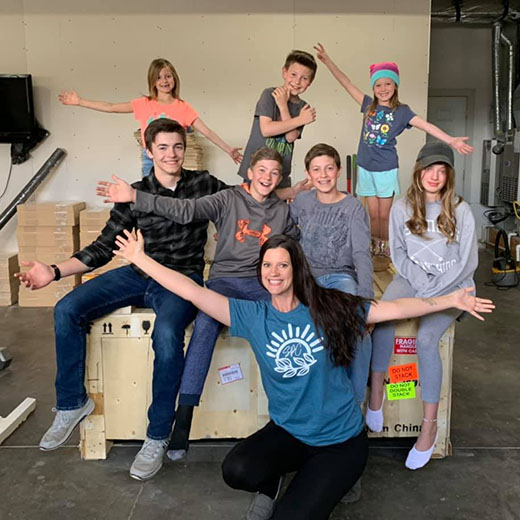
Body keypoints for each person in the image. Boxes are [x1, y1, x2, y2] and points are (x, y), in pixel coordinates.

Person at [113, 231, 492, 520]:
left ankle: (332, 479)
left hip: (340, 442)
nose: (274, 273)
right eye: (267, 265)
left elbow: (393, 308)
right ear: (259, 271)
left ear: (296, 269)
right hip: (290, 433)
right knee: (237, 470)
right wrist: (140, 258)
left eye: (282, 265)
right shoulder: (253, 317)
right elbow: (192, 291)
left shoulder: (330, 307)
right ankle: (280, 479)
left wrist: (451, 300)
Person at [15, 118, 229, 481]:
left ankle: (157, 435)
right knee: (68, 308)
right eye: (162, 147)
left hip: (180, 278)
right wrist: (53, 271)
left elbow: (245, 198)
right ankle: (71, 403)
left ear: (185, 147)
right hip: (137, 271)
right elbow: (103, 247)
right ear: (149, 151)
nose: (171, 154)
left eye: (177, 146)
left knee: (165, 335)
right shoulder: (133, 191)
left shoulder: (204, 183)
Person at [96, 146, 300, 462]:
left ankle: (286, 416)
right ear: (249, 172)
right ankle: (185, 415)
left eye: (275, 173)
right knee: (205, 324)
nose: (268, 178)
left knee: (284, 325)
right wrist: (136, 197)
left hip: (262, 285)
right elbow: (185, 210)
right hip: (224, 281)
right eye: (262, 170)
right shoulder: (228, 198)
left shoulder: (282, 210)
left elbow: (296, 244)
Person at [366, 141, 479, 470]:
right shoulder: (402, 207)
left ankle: (429, 427)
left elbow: (467, 261)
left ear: (448, 176)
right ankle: (377, 391)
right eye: (429, 168)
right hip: (413, 279)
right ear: (418, 171)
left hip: (453, 286)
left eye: (441, 170)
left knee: (427, 340)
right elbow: (398, 254)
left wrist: (436, 295)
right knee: (383, 319)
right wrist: (420, 285)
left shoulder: (461, 210)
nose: (434, 175)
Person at [313, 43, 473, 270]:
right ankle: (373, 246)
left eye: (387, 83)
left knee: (386, 214)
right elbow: (346, 82)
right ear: (373, 87)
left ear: (395, 86)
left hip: (386, 168)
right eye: (378, 84)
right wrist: (328, 62)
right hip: (366, 167)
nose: (383, 88)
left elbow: (426, 126)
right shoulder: (368, 105)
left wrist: (451, 140)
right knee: (373, 213)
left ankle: (386, 246)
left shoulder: (402, 112)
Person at [290, 143, 373, 404]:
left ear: (338, 171)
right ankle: (312, 401)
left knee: (356, 327)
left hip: (340, 277)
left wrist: (366, 296)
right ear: (308, 174)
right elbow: (285, 232)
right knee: (305, 330)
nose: (323, 175)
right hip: (308, 278)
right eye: (316, 169)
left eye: (329, 168)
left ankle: (354, 400)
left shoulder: (352, 207)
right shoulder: (302, 201)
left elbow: (361, 252)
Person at [59, 58, 242, 176]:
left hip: (173, 161)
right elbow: (111, 107)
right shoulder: (144, 103)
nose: (164, 81)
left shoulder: (183, 107)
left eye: (168, 76)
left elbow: (207, 131)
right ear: (153, 82)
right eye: (159, 77)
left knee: (173, 200)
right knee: (151, 200)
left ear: (175, 79)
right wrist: (80, 101)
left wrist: (228, 149)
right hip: (151, 160)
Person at [237, 50, 317, 189]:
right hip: (256, 170)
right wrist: (300, 119)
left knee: (277, 209)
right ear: (284, 72)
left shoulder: (303, 107)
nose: (297, 82)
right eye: (293, 75)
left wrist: (283, 106)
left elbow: (291, 137)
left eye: (304, 78)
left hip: (280, 173)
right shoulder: (269, 94)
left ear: (310, 82)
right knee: (251, 207)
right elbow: (266, 129)